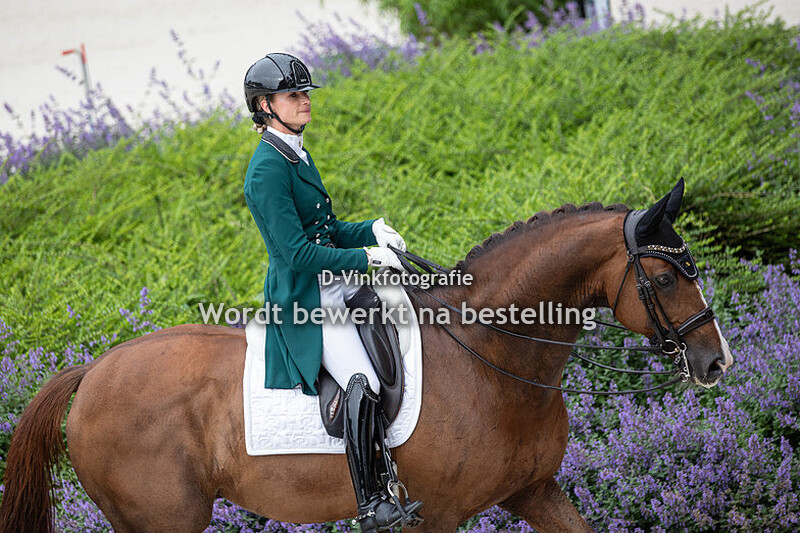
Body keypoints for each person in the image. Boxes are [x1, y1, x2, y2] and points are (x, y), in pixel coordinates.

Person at [242, 53, 423, 532]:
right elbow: (299, 254)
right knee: (363, 381)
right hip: (306, 298)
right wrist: (366, 258)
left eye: (305, 93)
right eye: (292, 95)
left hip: (335, 282)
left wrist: (371, 231)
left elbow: (326, 230)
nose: (304, 101)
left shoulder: (295, 152)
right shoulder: (267, 169)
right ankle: (373, 504)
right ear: (264, 106)